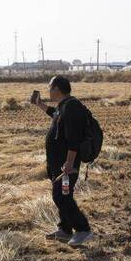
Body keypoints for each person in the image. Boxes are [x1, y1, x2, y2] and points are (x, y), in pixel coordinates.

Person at [34, 75, 93, 246]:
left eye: (49, 87)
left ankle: (83, 229)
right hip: (58, 164)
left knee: (61, 196)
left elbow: (74, 139)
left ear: (56, 89)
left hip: (66, 165)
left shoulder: (72, 107)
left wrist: (69, 163)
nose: (48, 91)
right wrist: (40, 104)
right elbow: (55, 115)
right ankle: (65, 230)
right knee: (62, 194)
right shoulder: (64, 106)